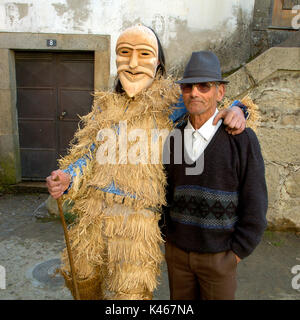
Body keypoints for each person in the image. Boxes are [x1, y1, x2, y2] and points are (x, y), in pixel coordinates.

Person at [46, 25, 252, 300]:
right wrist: (68, 176)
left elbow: (211, 102)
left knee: (130, 294)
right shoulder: (104, 106)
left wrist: (240, 109)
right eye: (124, 53)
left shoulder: (171, 102)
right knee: (80, 277)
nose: (132, 63)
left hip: (137, 220)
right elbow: (88, 152)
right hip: (92, 214)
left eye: (143, 54)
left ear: (158, 63)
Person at [162, 51, 268, 300]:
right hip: (177, 256)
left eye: (204, 86)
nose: (194, 92)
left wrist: (236, 253)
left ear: (220, 93)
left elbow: (256, 201)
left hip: (220, 258)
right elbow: (165, 193)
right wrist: (168, 237)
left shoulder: (242, 139)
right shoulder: (173, 138)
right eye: (188, 86)